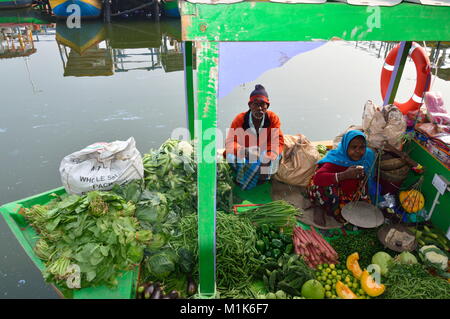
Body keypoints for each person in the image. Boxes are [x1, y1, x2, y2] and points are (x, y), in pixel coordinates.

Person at [307, 130, 375, 225]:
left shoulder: (368, 156)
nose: (358, 151)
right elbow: (318, 178)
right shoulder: (336, 158)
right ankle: (319, 206)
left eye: (362, 147)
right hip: (332, 184)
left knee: (363, 205)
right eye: (353, 147)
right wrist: (344, 175)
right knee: (323, 188)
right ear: (346, 147)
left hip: (350, 188)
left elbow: (371, 176)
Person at [224, 84, 284, 190]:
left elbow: (277, 141)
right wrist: (245, 151)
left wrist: (268, 157)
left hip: (263, 152)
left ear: (267, 106)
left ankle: (261, 178)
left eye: (263, 105)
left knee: (276, 156)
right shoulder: (240, 119)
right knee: (232, 157)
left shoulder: (273, 118)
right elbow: (230, 143)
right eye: (256, 104)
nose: (259, 108)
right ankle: (243, 179)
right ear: (250, 105)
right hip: (245, 153)